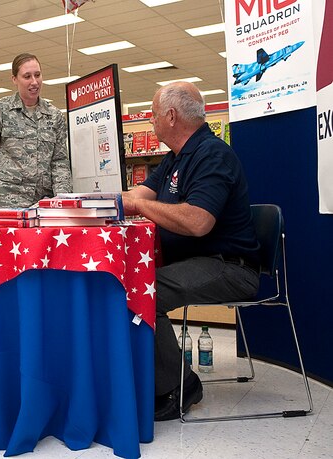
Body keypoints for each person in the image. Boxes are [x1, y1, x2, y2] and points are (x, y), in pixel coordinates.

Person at [122, 81, 261, 421]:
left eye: (154, 115)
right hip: (198, 262)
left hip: (228, 266)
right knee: (134, 283)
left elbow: (198, 222)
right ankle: (158, 378)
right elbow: (136, 196)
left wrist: (140, 208)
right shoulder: (175, 158)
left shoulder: (213, 155)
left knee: (143, 290)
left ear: (170, 116)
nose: (151, 122)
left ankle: (179, 388)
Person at [0, 53, 72, 209]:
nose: (34, 82)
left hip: (43, 202)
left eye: (37, 75)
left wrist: (62, 199)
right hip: (6, 200)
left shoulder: (54, 115)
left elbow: (59, 162)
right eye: (27, 76)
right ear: (15, 79)